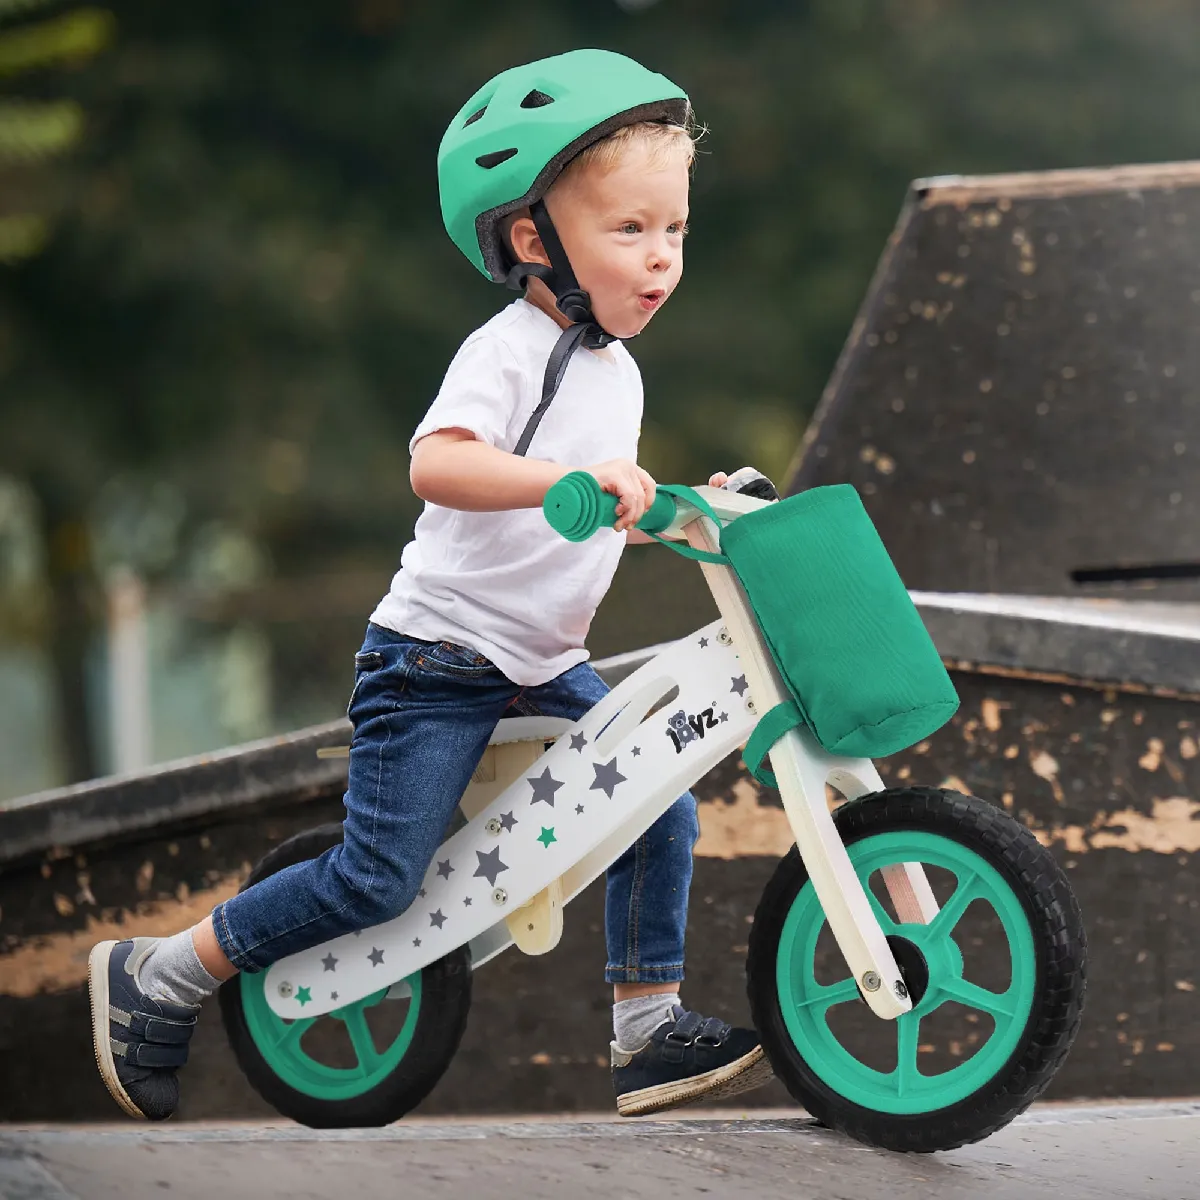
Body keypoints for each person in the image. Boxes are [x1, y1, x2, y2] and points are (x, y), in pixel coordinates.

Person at [88, 47, 774, 1123]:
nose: (661, 258)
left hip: (544, 665)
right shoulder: (507, 349)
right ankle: (161, 973)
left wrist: (687, 506)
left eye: (675, 230)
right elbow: (439, 464)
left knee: (660, 802)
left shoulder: (615, 370)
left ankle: (645, 1028)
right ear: (531, 238)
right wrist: (571, 480)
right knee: (376, 883)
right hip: (437, 663)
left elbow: (581, 518)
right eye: (629, 230)